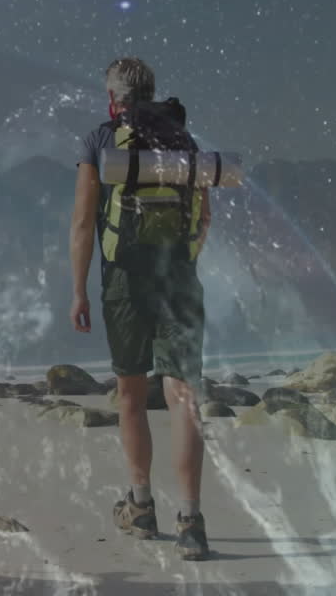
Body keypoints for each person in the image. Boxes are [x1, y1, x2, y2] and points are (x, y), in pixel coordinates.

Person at [68, 57, 213, 561]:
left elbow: (83, 221)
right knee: (183, 396)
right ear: (151, 92)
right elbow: (204, 217)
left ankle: (142, 507)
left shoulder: (100, 139)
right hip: (179, 278)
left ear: (113, 97)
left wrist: (79, 290)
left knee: (130, 394)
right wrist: (183, 263)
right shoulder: (182, 140)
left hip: (124, 279)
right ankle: (191, 522)